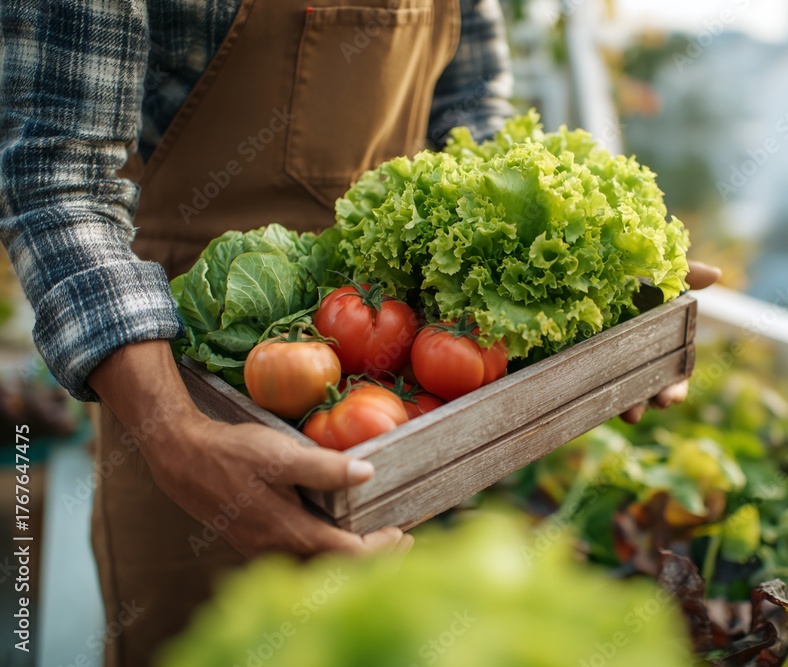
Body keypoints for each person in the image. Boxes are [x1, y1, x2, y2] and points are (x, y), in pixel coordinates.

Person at [0, 0, 721, 664]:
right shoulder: (189, 404)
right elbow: (55, 174)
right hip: (199, 365)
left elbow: (471, 117)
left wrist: (594, 284)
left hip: (411, 384)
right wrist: (170, 430)